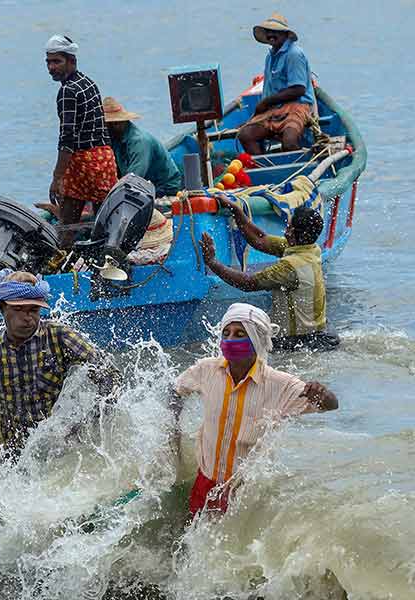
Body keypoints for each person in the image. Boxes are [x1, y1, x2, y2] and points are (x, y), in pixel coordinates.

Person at [172, 303, 337, 517]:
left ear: (256, 339)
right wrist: (172, 428)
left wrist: (323, 394)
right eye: (226, 333)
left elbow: (330, 406)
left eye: (240, 334)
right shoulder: (206, 370)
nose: (230, 339)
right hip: (205, 481)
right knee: (190, 534)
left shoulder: (280, 384)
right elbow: (176, 390)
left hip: (243, 490)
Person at [0, 270, 118, 451]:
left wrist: (86, 423)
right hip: (15, 452)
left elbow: (111, 376)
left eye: (34, 310)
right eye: (18, 309)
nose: (27, 317)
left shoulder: (59, 336)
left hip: (60, 446)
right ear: (2, 308)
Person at [200, 198, 337, 351]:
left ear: (294, 234)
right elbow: (260, 239)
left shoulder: (289, 267)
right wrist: (236, 210)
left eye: (289, 228)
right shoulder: (311, 249)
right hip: (321, 335)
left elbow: (248, 283)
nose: (285, 231)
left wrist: (212, 263)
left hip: (299, 344)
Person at [45, 34, 118, 246]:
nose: (51, 67)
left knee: (67, 225)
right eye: (48, 62)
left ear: (72, 61)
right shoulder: (89, 83)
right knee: (104, 223)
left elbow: (67, 139)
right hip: (104, 159)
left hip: (83, 161)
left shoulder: (68, 91)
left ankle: (63, 267)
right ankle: (107, 262)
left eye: (56, 61)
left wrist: (57, 178)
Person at [238, 13, 316, 154]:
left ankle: (298, 167)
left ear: (285, 34)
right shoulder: (270, 56)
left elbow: (298, 90)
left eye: (276, 32)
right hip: (274, 110)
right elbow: (269, 88)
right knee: (245, 135)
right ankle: (264, 167)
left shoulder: (294, 54)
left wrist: (266, 102)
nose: (271, 35)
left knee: (289, 142)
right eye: (268, 32)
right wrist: (259, 113)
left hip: (298, 106)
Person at [103, 97, 183, 198]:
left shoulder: (139, 141)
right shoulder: (116, 141)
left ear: (117, 123)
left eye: (107, 125)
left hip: (164, 188)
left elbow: (135, 177)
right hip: (145, 186)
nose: (105, 129)